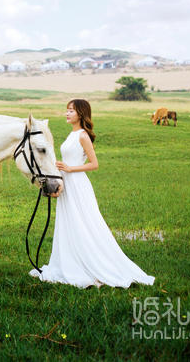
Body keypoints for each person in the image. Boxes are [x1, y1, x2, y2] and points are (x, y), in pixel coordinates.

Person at [29, 99, 155, 288]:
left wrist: (70, 169)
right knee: (69, 223)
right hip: (67, 183)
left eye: (71, 110)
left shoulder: (82, 136)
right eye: (66, 110)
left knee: (85, 223)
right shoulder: (71, 134)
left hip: (78, 185)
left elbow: (94, 164)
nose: (67, 113)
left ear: (80, 113)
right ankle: (71, 262)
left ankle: (94, 264)